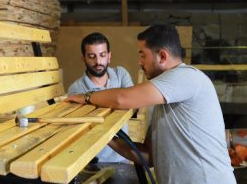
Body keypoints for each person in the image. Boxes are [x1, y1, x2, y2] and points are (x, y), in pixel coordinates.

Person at [66, 25, 236, 184]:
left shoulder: (187, 77)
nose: (140, 62)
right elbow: (147, 156)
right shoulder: (162, 101)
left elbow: (122, 98)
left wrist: (87, 97)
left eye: (142, 55)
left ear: (162, 56)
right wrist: (105, 135)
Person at [67, 32, 133, 163]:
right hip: (94, 160)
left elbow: (132, 103)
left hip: (123, 156)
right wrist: (118, 99)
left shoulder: (120, 74)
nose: (98, 62)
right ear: (83, 58)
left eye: (102, 55)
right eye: (92, 56)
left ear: (109, 56)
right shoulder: (76, 90)